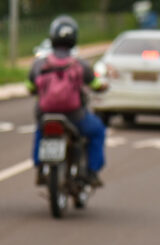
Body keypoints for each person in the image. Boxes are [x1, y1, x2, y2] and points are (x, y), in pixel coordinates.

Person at [29, 15, 108, 187]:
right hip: (75, 115)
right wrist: (101, 86)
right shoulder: (81, 64)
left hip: (45, 112)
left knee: (41, 131)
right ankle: (92, 172)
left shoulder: (39, 64)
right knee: (97, 131)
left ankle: (40, 166)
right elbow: (94, 83)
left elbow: (30, 86)